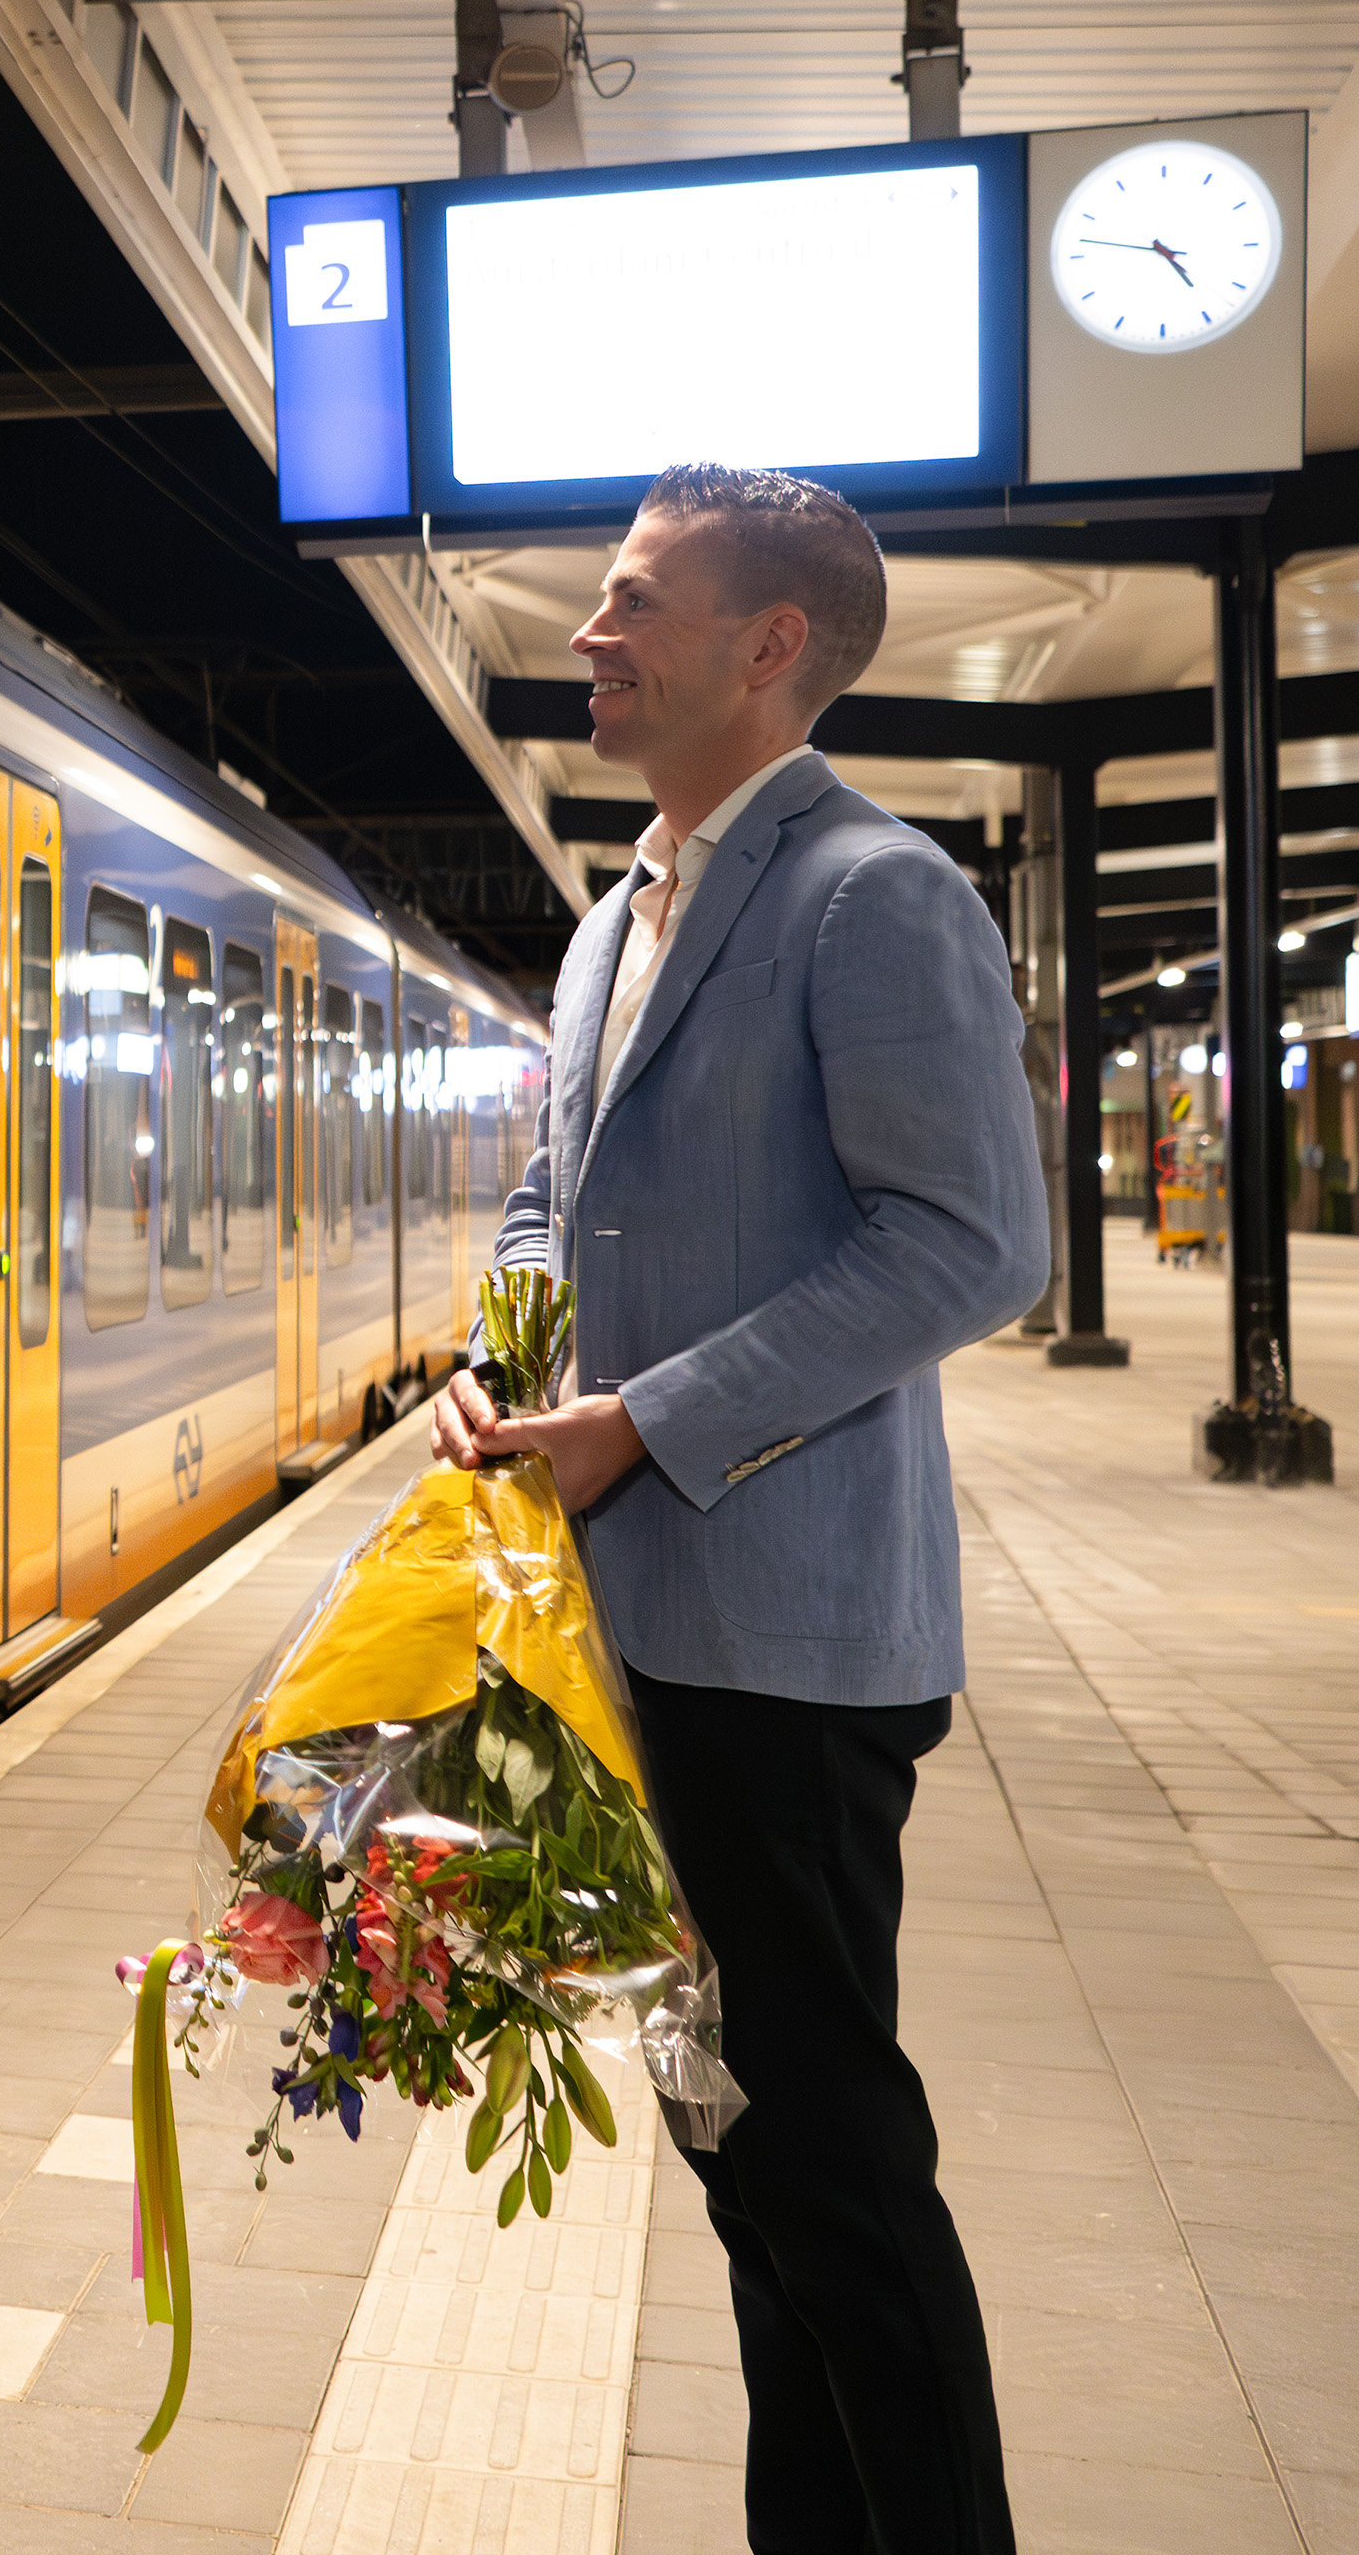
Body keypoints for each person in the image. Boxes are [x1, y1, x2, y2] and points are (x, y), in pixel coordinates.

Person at [432, 463, 1041, 2553]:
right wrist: (504, 1365)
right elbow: (553, 1190)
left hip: (784, 1640)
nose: (589, 634)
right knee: (746, 2150)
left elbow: (969, 1242)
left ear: (767, 644)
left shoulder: (874, 894)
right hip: (643, 1624)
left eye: (631, 599)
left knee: (831, 2161)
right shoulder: (627, 907)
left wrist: (649, 1418)